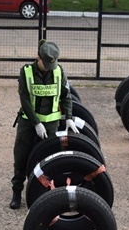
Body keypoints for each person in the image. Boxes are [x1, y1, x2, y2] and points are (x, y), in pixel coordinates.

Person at [9, 40, 78, 209]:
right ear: (38, 57)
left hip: (51, 125)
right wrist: (36, 122)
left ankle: (42, 193)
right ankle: (17, 191)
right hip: (28, 123)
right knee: (21, 157)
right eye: (46, 64)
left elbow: (66, 96)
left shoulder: (58, 71)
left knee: (46, 160)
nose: (48, 68)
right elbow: (24, 99)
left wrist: (68, 117)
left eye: (51, 64)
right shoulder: (26, 72)